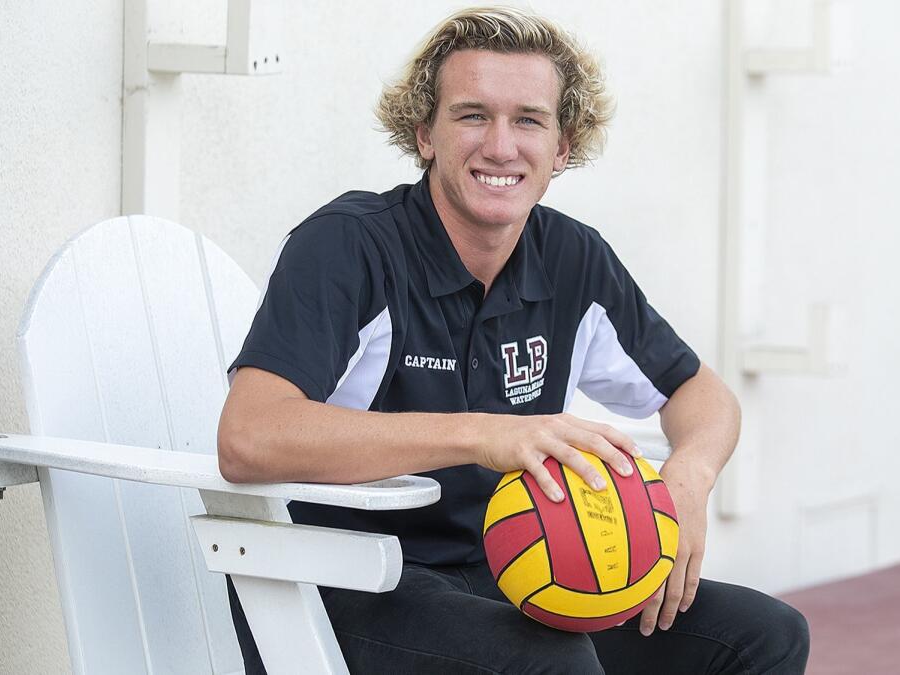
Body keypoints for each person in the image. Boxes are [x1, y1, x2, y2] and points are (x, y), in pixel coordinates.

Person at [217, 6, 808, 673]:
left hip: (512, 572)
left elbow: (699, 392)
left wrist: (689, 479)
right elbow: (249, 438)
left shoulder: (571, 259)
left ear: (562, 147)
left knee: (765, 633)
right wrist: (480, 433)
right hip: (345, 580)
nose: (501, 145)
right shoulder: (348, 246)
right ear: (425, 134)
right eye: (472, 115)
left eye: (528, 119)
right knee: (551, 665)